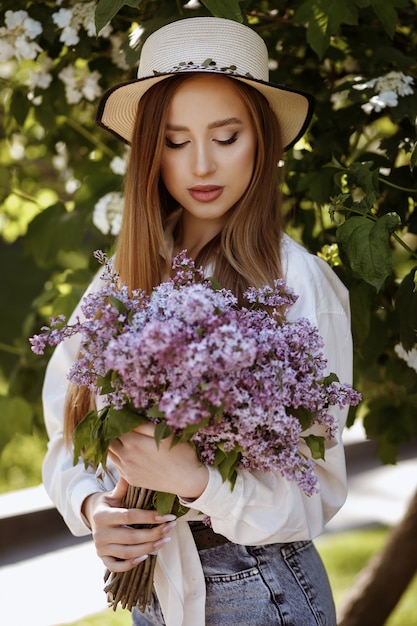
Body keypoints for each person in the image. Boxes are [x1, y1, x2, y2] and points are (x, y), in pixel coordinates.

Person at [42, 17, 353, 626]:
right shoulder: (123, 275)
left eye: (227, 136)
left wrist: (197, 481)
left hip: (262, 588)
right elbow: (66, 425)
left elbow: (316, 489)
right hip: (157, 588)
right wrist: (93, 510)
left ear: (263, 141)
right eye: (176, 141)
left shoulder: (297, 283)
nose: (201, 165)